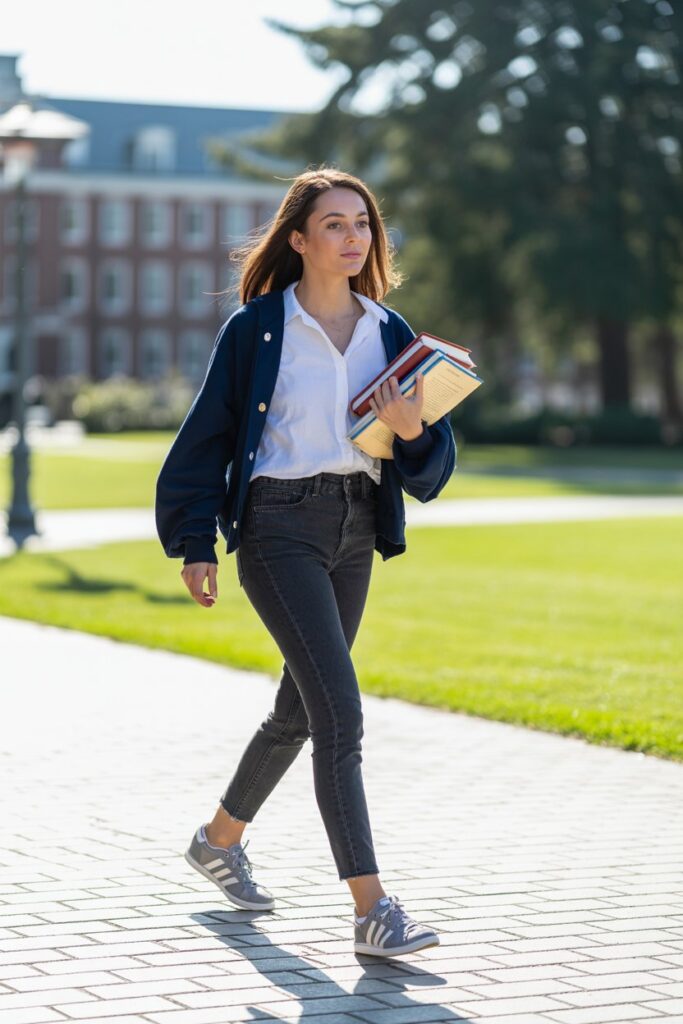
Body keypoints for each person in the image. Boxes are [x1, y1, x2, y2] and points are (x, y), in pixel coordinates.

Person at [155, 166, 456, 958]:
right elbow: (205, 438)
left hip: (356, 527)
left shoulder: (388, 329)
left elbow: (430, 466)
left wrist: (413, 431)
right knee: (339, 715)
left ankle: (218, 841)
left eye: (362, 223)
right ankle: (372, 909)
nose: (353, 237)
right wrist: (194, 542)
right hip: (277, 528)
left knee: (300, 710)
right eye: (334, 224)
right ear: (298, 239)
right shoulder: (257, 329)